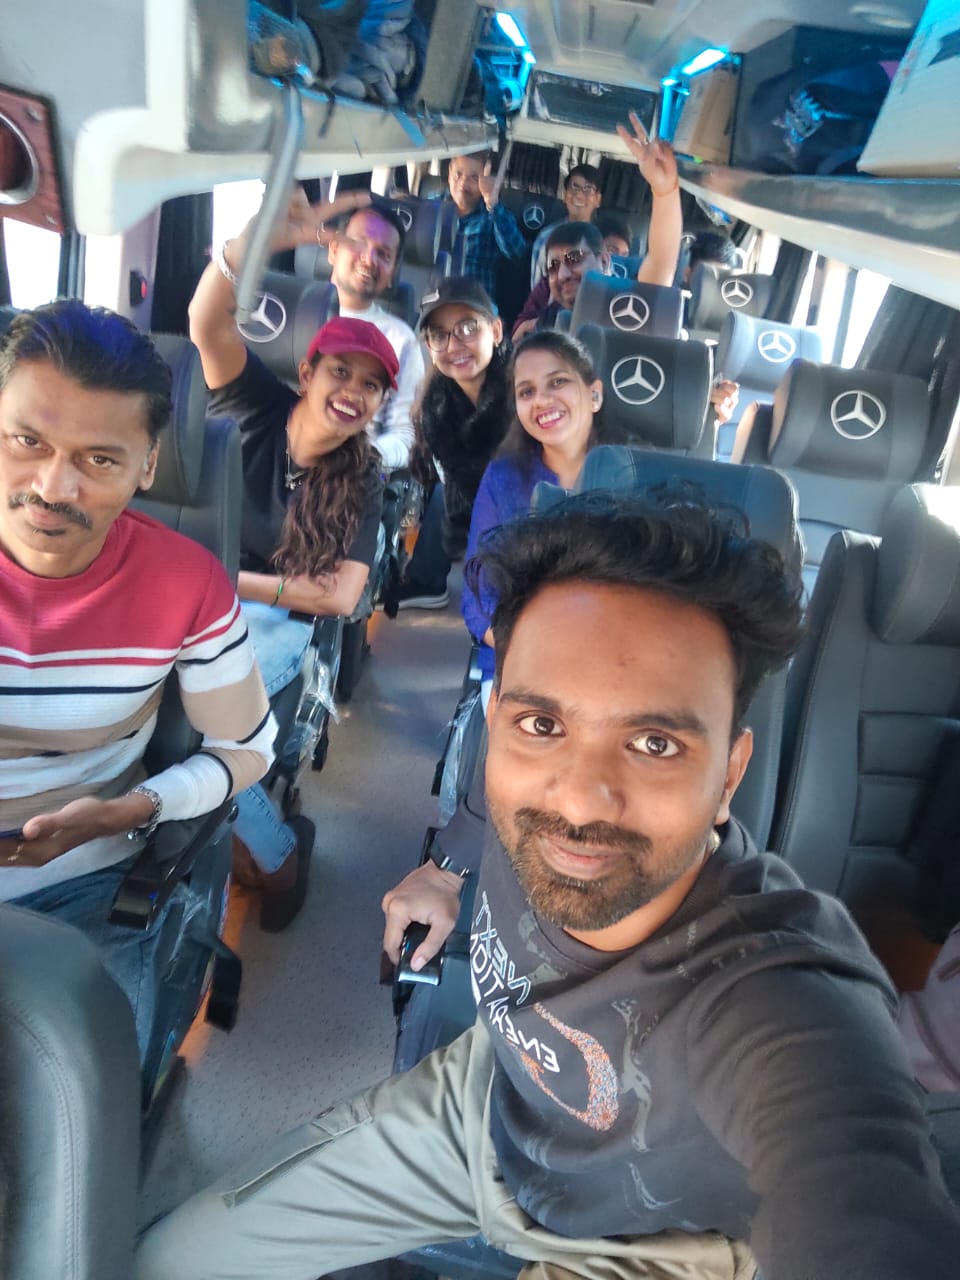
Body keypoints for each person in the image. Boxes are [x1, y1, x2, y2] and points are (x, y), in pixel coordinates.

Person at [136, 490, 960, 1280]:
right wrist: (444, 870)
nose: (578, 800)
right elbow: (482, 806)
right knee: (169, 1264)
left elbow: (857, 1196)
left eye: (655, 744)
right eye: (542, 724)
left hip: (653, 1241)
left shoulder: (782, 997)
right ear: (498, 725)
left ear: (729, 775)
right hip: (488, 1106)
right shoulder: (507, 785)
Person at [0, 300, 276, 1056]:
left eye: (99, 460)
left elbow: (247, 749)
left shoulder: (184, 583)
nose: (53, 487)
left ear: (149, 465)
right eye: (27, 440)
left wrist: (133, 809)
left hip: (80, 888)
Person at [190, 211, 402, 930]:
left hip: (276, 617)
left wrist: (229, 583)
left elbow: (340, 596)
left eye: (371, 386)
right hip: (199, 601)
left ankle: (280, 856)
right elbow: (207, 322)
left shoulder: (363, 475)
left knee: (199, 737)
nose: (353, 391)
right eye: (341, 371)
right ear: (308, 372)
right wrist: (257, 242)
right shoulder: (254, 405)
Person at [461, 330, 623, 703]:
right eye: (526, 391)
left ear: (594, 395)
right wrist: (532, 649)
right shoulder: (503, 479)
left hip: (612, 665)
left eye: (558, 382)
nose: (542, 400)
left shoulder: (635, 475)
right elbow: (477, 594)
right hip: (519, 657)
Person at [391, 276, 511, 611]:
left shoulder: (525, 387)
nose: (454, 345)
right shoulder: (436, 405)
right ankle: (429, 579)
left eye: (468, 327)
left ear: (496, 331)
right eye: (439, 335)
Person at [513, 114, 681, 338]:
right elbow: (519, 332)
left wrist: (664, 191)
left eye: (574, 258)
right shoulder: (547, 303)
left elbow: (661, 264)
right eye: (552, 265)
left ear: (604, 261)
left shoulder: (625, 300)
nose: (562, 273)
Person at [445, 151, 527, 307]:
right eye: (458, 174)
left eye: (474, 178)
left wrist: (493, 205)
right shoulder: (432, 208)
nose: (463, 183)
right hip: (434, 300)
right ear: (449, 173)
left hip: (474, 305)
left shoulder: (493, 216)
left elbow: (517, 251)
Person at [528, 162, 605, 288]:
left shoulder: (606, 241)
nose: (579, 195)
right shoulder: (546, 237)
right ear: (564, 195)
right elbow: (537, 288)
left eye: (588, 189)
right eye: (574, 187)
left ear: (598, 199)